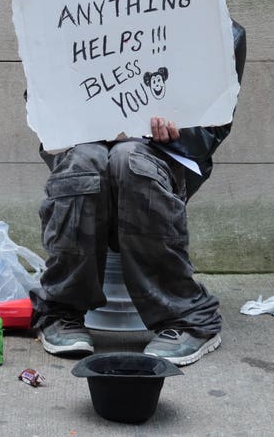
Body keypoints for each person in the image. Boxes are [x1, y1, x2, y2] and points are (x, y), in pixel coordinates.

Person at [30, 21, 247, 366]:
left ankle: (188, 318)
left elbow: (213, 127)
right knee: (86, 163)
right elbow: (42, 103)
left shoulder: (217, 29)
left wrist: (179, 129)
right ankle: (60, 310)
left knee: (129, 159)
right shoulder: (68, 13)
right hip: (87, 150)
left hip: (159, 158)